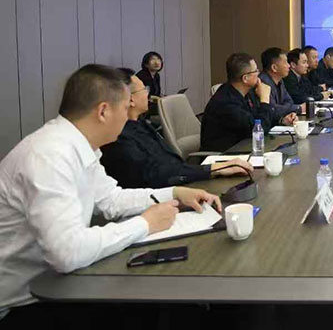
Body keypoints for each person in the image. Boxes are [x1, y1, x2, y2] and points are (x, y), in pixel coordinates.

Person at [0, 64, 220, 322]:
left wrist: (174, 192)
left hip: (60, 283)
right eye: (125, 108)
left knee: (169, 302)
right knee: (160, 305)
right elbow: (67, 252)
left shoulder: (80, 146)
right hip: (25, 302)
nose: (129, 117)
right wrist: (145, 223)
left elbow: (111, 200)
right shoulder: (49, 156)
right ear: (103, 111)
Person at [101, 68, 253, 188]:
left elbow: (170, 164)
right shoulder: (118, 137)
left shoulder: (140, 124)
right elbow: (156, 174)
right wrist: (213, 169)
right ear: (131, 99)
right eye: (144, 89)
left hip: (179, 184)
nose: (148, 93)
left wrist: (213, 169)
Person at [200, 53, 297, 152]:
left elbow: (259, 118)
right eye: (255, 71)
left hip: (244, 149)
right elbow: (259, 129)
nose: (259, 73)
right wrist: (264, 99)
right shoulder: (226, 102)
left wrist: (282, 120)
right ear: (245, 78)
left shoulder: (247, 93)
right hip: (224, 155)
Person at [259, 47, 304, 118]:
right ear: (274, 68)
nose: (289, 66)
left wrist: (283, 109)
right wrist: (297, 108)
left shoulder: (280, 80)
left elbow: (289, 101)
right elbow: (273, 110)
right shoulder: (263, 83)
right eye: (285, 62)